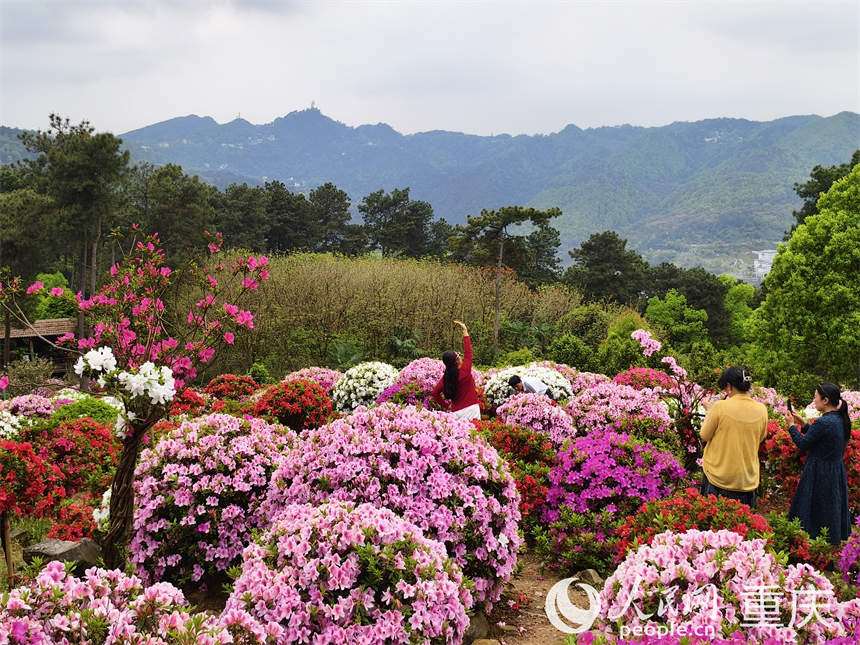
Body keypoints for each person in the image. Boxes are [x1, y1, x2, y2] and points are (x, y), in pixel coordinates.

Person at [784, 383, 851, 545]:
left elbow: (803, 443)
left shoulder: (824, 422)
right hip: (834, 470)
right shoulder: (840, 419)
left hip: (819, 470)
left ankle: (812, 542)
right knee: (828, 507)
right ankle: (828, 540)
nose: (814, 400)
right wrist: (803, 423)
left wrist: (791, 426)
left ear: (825, 400)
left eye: (816, 397)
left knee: (814, 506)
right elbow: (820, 438)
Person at [699, 366, 768, 508]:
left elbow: (704, 435)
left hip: (719, 478)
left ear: (729, 386)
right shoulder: (762, 409)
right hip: (747, 480)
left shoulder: (720, 407)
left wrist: (709, 411)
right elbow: (761, 437)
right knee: (743, 520)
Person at [430, 320, 480, 421]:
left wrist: (445, 406)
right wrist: (465, 331)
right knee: (475, 431)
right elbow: (468, 353)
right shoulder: (464, 371)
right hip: (471, 409)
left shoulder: (446, 377)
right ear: (457, 360)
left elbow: (435, 393)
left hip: (456, 413)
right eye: (458, 355)